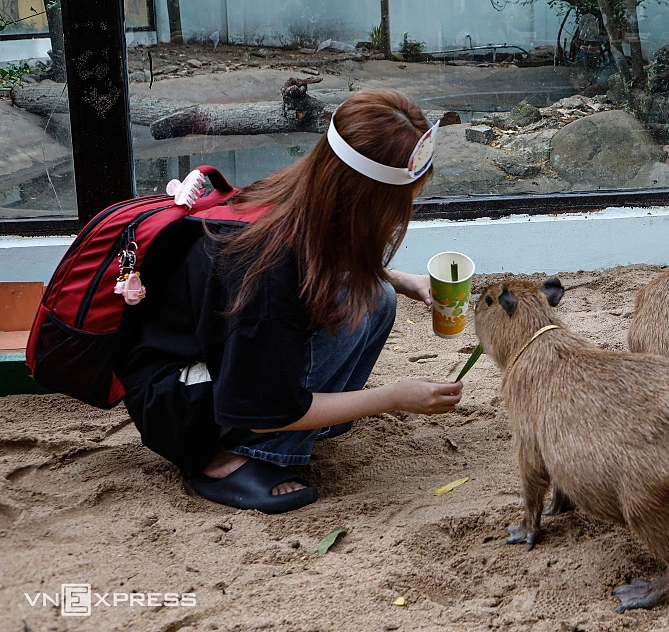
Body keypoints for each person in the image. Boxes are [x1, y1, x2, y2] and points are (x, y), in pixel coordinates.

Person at [118, 89, 464, 513]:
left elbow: (318, 257)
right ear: (368, 198)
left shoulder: (301, 194)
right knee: (351, 310)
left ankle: (301, 425)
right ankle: (229, 458)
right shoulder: (264, 268)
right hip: (179, 400)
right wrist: (394, 397)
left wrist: (400, 279)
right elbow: (266, 404)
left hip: (215, 357)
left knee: (376, 295)